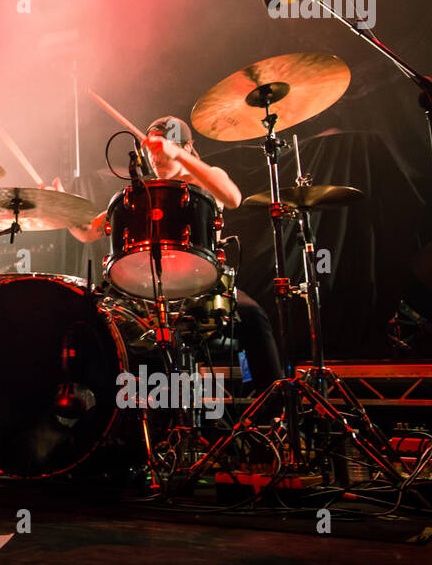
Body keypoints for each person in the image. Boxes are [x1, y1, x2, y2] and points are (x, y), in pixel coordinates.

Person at [63, 115, 284, 390]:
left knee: (252, 317)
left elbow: (233, 198)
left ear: (187, 147)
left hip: (205, 285)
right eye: (153, 154)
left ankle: (274, 406)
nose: (156, 159)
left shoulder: (204, 180)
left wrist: (177, 153)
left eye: (164, 151)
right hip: (149, 291)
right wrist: (59, 209)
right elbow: (89, 232)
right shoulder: (142, 192)